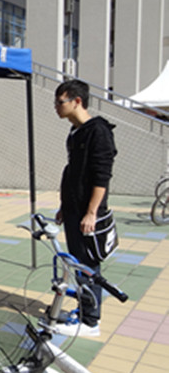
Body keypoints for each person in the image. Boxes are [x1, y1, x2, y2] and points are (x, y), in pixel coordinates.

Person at [54, 80, 117, 338]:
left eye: (60, 102)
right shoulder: (76, 132)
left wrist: (91, 213)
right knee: (78, 263)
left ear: (77, 101)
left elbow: (102, 177)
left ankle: (90, 321)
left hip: (87, 213)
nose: (56, 107)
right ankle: (84, 310)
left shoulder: (98, 132)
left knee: (88, 265)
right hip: (73, 209)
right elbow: (73, 172)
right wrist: (64, 205)